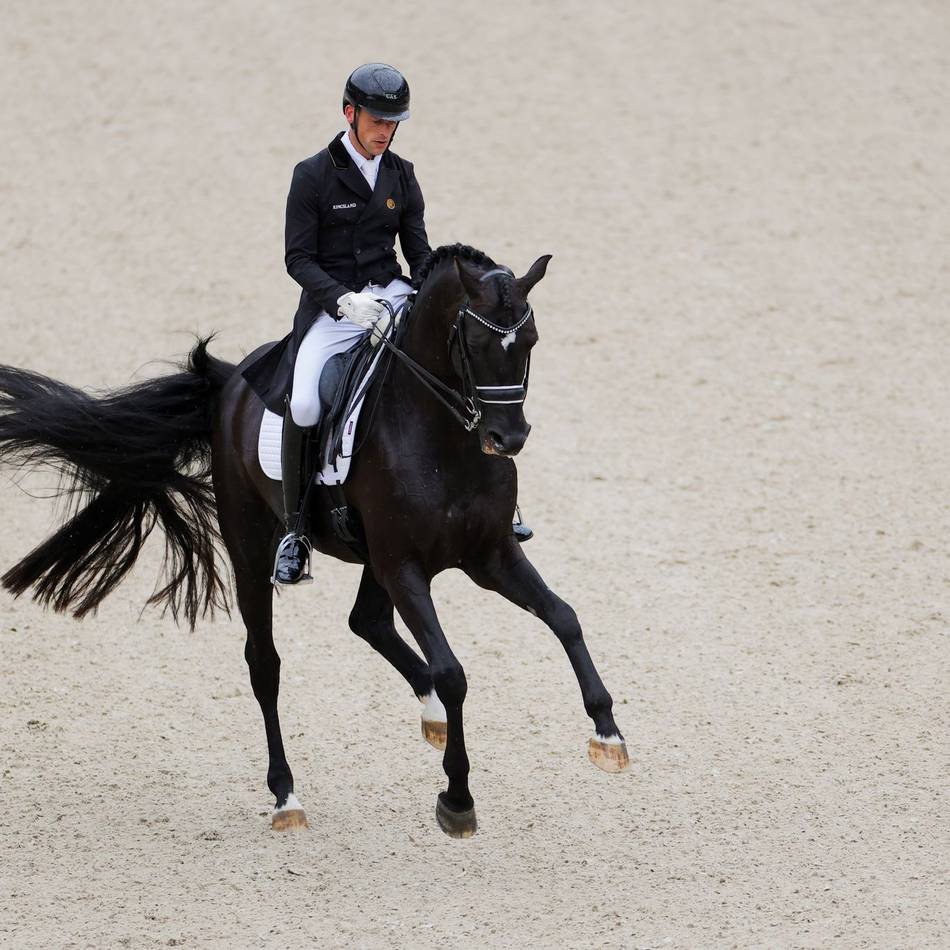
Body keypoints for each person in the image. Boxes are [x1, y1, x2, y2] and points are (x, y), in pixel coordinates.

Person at [266, 63, 531, 586]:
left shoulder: (402, 174)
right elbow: (298, 259)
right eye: (377, 120)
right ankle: (295, 531)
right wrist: (342, 301)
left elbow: (419, 252)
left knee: (454, 365)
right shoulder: (312, 175)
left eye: (393, 122)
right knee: (305, 402)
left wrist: (428, 297)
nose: (385, 131)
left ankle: (497, 499)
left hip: (391, 297)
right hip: (334, 309)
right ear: (350, 113)